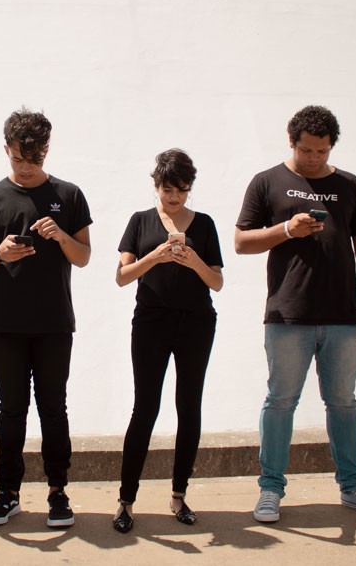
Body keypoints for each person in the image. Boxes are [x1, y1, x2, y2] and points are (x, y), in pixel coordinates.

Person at [234, 105, 356, 523]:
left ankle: (353, 486)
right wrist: (288, 229)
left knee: (343, 403)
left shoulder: (349, 185)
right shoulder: (267, 182)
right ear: (292, 142)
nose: (314, 158)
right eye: (306, 150)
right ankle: (270, 490)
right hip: (289, 315)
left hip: (343, 316)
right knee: (280, 402)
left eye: (321, 151)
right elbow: (241, 242)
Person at [0, 107, 92, 528]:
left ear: (47, 151)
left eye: (34, 159)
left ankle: (58, 492)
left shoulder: (69, 195)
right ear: (6, 149)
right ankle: (8, 493)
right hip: (5, 324)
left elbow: (85, 256)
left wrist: (61, 235)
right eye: (18, 159)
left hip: (55, 323)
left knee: (53, 408)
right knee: (11, 408)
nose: (26, 167)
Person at [111, 149, 224, 534]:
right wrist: (157, 255)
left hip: (196, 322)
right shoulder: (140, 222)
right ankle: (126, 500)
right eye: (167, 189)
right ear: (156, 185)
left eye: (182, 190)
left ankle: (179, 495)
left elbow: (217, 282)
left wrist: (193, 261)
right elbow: (123, 276)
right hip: (151, 322)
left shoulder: (205, 225)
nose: (174, 197)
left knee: (189, 406)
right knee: (145, 407)